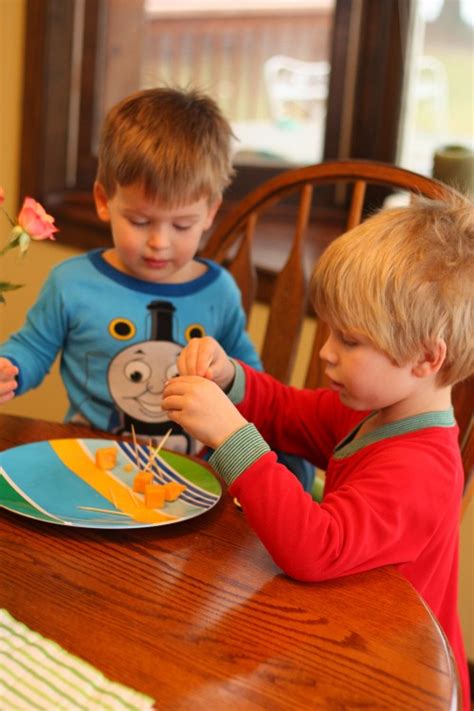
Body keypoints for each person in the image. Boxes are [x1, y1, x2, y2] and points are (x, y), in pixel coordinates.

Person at [161, 196, 473, 708]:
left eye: (350, 340)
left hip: (397, 680)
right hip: (345, 639)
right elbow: (291, 412)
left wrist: (232, 438)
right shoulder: (375, 408)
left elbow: (315, 549)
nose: (327, 351)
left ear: (426, 357)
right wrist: (231, 378)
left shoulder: (424, 468)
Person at [0, 87, 261, 455]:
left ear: (211, 213)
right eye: (139, 221)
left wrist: (229, 373)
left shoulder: (220, 291)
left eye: (182, 226)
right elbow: (32, 347)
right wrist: (9, 368)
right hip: (89, 460)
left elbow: (254, 383)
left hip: (195, 477)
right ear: (104, 201)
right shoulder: (71, 284)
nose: (159, 242)